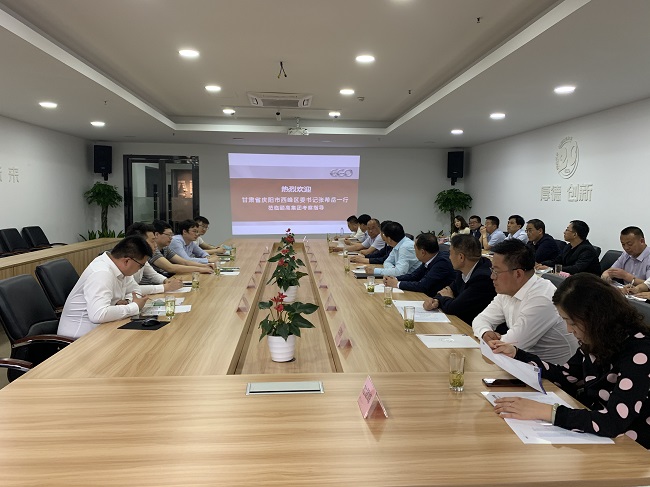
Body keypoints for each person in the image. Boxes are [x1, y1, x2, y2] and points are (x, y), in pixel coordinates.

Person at [490, 273, 650, 449]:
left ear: (596, 318)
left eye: (572, 322)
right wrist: (518, 354)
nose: (568, 329)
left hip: (632, 447)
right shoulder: (598, 339)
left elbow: (613, 422)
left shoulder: (640, 350)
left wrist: (547, 412)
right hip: (598, 437)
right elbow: (566, 377)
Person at [472, 239, 578, 363]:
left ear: (518, 274)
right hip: (522, 363)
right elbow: (480, 319)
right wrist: (485, 332)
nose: (492, 276)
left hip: (551, 372)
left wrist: (493, 341)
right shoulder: (508, 290)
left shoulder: (542, 298)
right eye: (492, 270)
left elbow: (511, 345)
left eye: (496, 271)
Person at [58, 236, 153, 339]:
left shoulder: (121, 269)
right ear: (126, 261)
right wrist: (134, 307)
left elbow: (135, 290)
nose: (140, 269)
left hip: (102, 329)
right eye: (141, 265)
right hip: (78, 339)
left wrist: (127, 300)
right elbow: (98, 314)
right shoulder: (101, 273)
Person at [422, 234, 496, 324]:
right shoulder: (463, 270)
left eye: (450, 253)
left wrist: (446, 298)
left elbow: (454, 308)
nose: (449, 257)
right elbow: (446, 290)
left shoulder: (482, 278)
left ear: (461, 257)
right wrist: (436, 300)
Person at [383, 233, 454, 297]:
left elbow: (423, 286)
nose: (414, 251)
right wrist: (394, 278)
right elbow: (414, 276)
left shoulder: (442, 263)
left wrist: (397, 284)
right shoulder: (429, 258)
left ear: (423, 252)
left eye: (415, 249)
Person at [124, 222, 183, 292]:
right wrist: (166, 287)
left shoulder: (141, 258)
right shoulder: (126, 260)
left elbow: (152, 275)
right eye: (152, 241)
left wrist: (166, 281)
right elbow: (131, 289)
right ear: (139, 242)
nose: (155, 245)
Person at [150, 220, 215, 276]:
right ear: (157, 235)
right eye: (169, 235)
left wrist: (205, 266)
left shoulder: (165, 248)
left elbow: (184, 262)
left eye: (171, 235)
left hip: (164, 277)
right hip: (155, 283)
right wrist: (200, 269)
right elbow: (171, 267)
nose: (171, 238)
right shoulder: (152, 250)